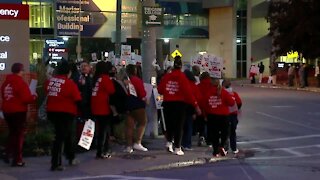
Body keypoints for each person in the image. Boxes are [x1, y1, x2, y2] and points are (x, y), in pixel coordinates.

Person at [158, 56, 201, 155]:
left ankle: (169, 142)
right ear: (181, 66)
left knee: (169, 124)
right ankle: (177, 147)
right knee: (178, 126)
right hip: (179, 104)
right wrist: (196, 105)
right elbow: (188, 93)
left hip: (167, 103)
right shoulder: (182, 77)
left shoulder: (167, 76)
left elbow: (160, 90)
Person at [46, 60, 82, 171]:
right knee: (61, 137)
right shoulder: (69, 83)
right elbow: (77, 99)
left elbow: (47, 92)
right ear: (68, 72)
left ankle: (68, 157)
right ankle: (56, 163)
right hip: (66, 113)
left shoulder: (51, 81)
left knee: (61, 135)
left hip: (52, 112)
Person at [1, 63, 37, 167]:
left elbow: (3, 95)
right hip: (18, 111)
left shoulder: (6, 82)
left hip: (7, 110)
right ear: (20, 71)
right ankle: (17, 159)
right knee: (19, 135)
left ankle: (7, 153)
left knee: (12, 133)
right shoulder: (20, 82)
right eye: (23, 70)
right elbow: (26, 99)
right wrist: (33, 96)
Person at [200, 77, 235, 157]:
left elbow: (204, 105)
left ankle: (215, 151)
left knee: (214, 134)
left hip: (212, 116)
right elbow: (232, 103)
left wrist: (205, 115)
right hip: (223, 116)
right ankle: (222, 145)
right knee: (225, 133)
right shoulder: (223, 92)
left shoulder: (207, 92)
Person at [91, 61, 115, 159]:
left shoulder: (96, 78)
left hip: (95, 106)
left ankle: (101, 150)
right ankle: (102, 151)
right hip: (103, 107)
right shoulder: (105, 78)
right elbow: (111, 90)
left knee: (100, 129)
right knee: (104, 130)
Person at [124, 64, 148, 153]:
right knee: (142, 122)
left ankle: (128, 146)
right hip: (137, 104)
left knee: (129, 126)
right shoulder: (137, 80)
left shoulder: (125, 80)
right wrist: (145, 99)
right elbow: (142, 93)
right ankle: (137, 142)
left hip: (127, 104)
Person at [181, 69, 201, 151]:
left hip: (181, 106)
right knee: (189, 126)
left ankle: (180, 143)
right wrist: (196, 108)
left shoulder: (182, 85)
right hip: (191, 107)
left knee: (181, 126)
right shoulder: (193, 85)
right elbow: (198, 97)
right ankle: (187, 144)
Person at [222, 79, 242, 154]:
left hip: (224, 115)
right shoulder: (234, 94)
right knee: (233, 132)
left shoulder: (221, 93)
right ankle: (234, 148)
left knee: (224, 132)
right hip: (233, 115)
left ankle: (225, 148)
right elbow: (239, 103)